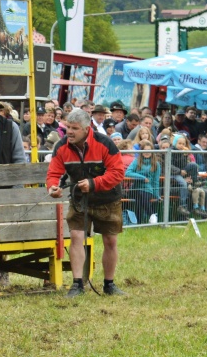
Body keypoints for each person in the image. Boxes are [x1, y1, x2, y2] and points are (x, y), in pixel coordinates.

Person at [47, 108, 126, 297]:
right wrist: (52, 187)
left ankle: (109, 284)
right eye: (67, 128)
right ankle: (77, 284)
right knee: (76, 237)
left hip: (107, 198)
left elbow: (118, 172)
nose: (70, 132)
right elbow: (53, 174)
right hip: (79, 199)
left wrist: (94, 183)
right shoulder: (61, 146)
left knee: (110, 240)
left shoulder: (105, 143)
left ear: (86, 128)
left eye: (74, 128)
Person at [125, 139, 161, 224]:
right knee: (139, 194)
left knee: (140, 198)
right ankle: (152, 215)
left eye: (149, 150)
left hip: (148, 189)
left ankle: (140, 223)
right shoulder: (136, 161)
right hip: (135, 188)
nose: (147, 152)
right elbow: (128, 173)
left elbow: (156, 181)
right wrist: (142, 177)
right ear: (141, 151)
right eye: (145, 150)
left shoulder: (156, 164)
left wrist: (157, 195)